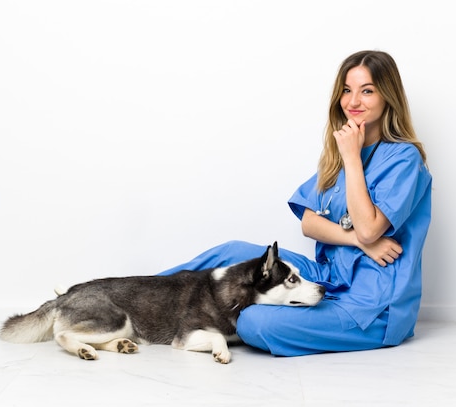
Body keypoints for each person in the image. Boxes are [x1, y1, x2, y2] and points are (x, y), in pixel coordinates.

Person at [157, 50, 432, 357]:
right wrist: (358, 240)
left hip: (372, 304)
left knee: (252, 320)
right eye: (346, 90)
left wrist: (352, 159)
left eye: (367, 91)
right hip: (327, 278)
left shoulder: (403, 159)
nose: (353, 102)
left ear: (388, 96)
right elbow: (310, 223)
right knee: (230, 252)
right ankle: (139, 298)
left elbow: (370, 229)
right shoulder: (338, 154)